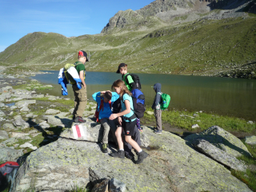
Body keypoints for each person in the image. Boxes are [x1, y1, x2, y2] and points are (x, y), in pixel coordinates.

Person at [109, 80, 148, 164]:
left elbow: (128, 110)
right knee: (117, 133)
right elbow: (123, 108)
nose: (115, 91)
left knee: (128, 139)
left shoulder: (125, 96)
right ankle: (121, 152)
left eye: (115, 89)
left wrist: (116, 115)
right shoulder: (122, 95)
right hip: (125, 119)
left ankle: (141, 153)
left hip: (130, 120)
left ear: (120, 87)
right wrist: (119, 116)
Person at [116, 63, 143, 132]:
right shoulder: (124, 76)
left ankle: (138, 126)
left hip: (131, 95)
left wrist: (130, 93)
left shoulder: (127, 76)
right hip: (127, 94)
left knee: (133, 109)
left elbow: (133, 85)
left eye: (120, 71)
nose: (120, 72)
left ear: (122, 69)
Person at [72, 50, 88, 123]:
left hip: (74, 85)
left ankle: (75, 115)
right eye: (85, 60)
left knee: (77, 100)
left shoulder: (75, 64)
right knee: (83, 100)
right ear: (84, 58)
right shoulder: (81, 65)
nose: (85, 61)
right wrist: (84, 84)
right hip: (79, 85)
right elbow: (81, 76)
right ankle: (79, 116)